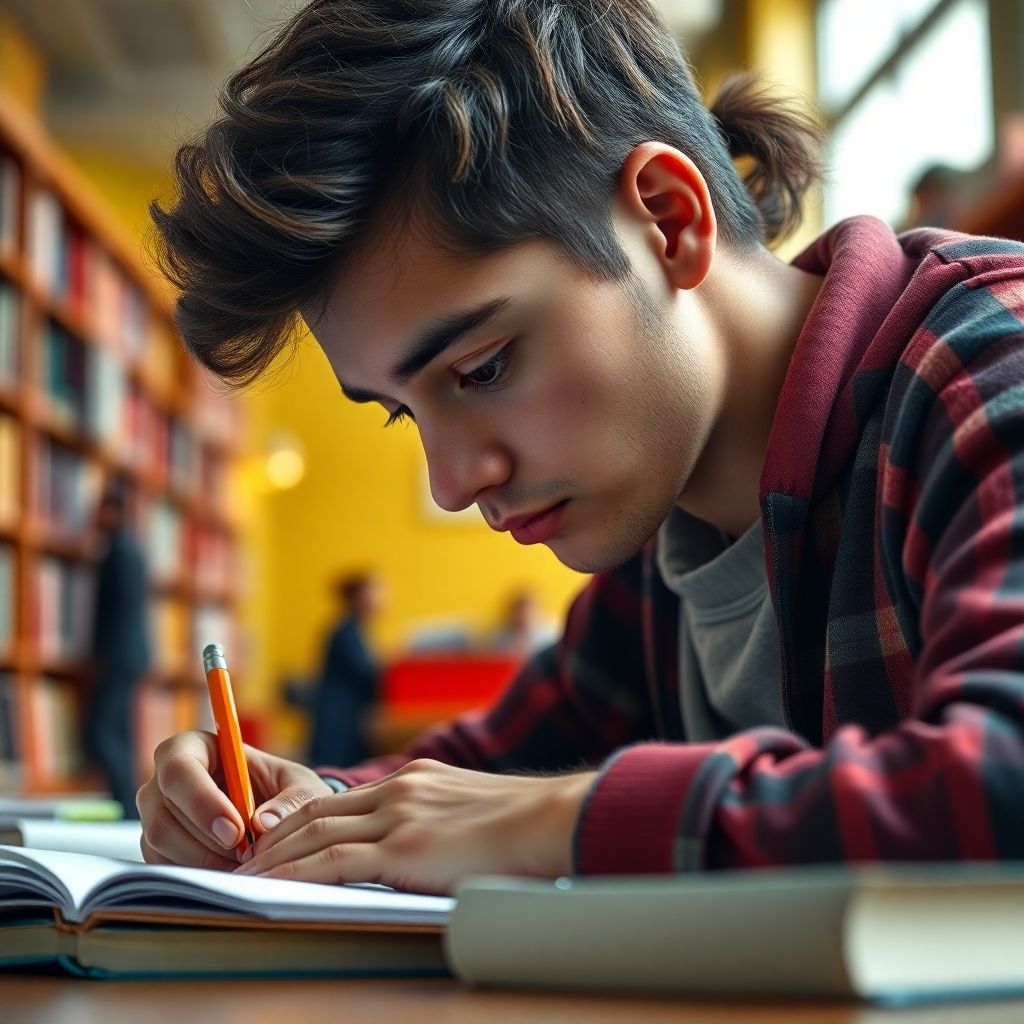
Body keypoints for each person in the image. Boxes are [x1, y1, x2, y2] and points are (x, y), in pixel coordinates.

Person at [138, 0, 1024, 893]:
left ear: (669, 220)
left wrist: (562, 817)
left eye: (481, 368)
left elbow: (1002, 776)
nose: (453, 485)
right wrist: (303, 808)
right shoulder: (658, 535)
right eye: (402, 412)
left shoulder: (991, 363)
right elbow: (485, 776)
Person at [85, 481, 151, 819]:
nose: (94, 517)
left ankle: (126, 805)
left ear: (115, 511)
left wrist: (101, 655)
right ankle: (125, 806)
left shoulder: (119, 551)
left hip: (117, 656)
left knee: (102, 732)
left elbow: (120, 610)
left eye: (100, 510)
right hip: (128, 655)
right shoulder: (130, 549)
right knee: (119, 732)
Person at [307, 571, 383, 769]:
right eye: (375, 590)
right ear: (358, 597)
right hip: (340, 718)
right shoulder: (346, 632)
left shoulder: (355, 629)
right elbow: (366, 672)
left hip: (346, 713)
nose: (382, 597)